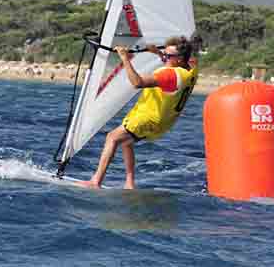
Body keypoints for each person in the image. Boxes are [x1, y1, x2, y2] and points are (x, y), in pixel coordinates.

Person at [80, 36, 197, 189]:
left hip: (147, 118)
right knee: (126, 143)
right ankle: (129, 184)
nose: (165, 58)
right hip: (164, 122)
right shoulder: (191, 68)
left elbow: (137, 82)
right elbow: (177, 62)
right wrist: (159, 53)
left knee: (112, 137)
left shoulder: (170, 75)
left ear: (180, 58)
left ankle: (96, 181)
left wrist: (125, 58)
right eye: (165, 54)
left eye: (168, 56)